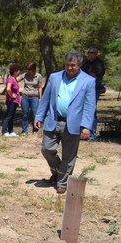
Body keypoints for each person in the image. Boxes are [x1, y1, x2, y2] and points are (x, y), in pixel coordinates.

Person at [34, 50, 96, 194]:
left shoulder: (88, 81)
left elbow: (89, 106)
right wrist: (39, 116)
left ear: (79, 65)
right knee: (47, 149)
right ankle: (57, 172)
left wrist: (87, 126)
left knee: (69, 156)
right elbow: (46, 98)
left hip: (73, 124)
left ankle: (62, 182)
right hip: (53, 120)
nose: (69, 68)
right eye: (67, 64)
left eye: (73, 65)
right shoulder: (55, 77)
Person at [81, 46, 105, 141]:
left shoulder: (99, 63)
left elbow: (93, 76)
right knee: (82, 110)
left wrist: (85, 76)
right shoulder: (86, 64)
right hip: (83, 89)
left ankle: (92, 134)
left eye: (92, 52)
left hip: (94, 89)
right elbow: (81, 74)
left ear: (96, 53)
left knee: (91, 111)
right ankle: (83, 133)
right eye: (89, 52)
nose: (90, 54)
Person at [19, 62, 43, 135]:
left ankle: (35, 130)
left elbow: (40, 87)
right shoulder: (25, 75)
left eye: (29, 69)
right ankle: (24, 131)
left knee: (35, 114)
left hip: (34, 97)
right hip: (25, 97)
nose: (28, 71)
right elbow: (16, 79)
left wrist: (40, 97)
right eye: (27, 69)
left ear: (34, 69)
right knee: (25, 114)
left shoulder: (38, 76)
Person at [2, 64, 21, 137]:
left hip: (15, 102)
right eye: (18, 71)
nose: (19, 72)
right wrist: (11, 95)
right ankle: (5, 131)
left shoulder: (14, 79)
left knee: (12, 116)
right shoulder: (11, 79)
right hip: (11, 101)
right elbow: (8, 88)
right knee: (8, 116)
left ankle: (11, 130)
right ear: (15, 71)